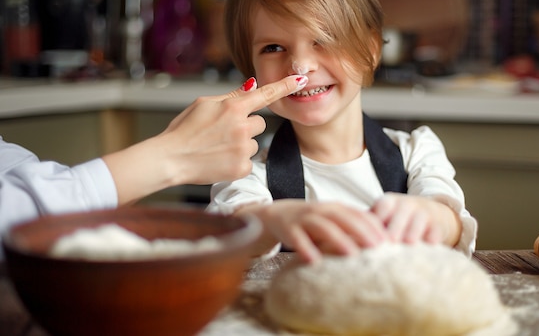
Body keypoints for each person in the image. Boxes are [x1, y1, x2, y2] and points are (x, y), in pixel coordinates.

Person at [208, 0, 478, 263]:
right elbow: (233, 227)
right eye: (273, 48)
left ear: (371, 49)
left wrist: (431, 217)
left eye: (323, 39)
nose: (300, 65)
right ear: (250, 68)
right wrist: (276, 220)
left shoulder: (417, 154)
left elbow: (451, 221)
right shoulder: (246, 170)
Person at [0, 74, 308, 256]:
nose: (301, 66)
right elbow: (22, 232)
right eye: (273, 47)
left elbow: (21, 181)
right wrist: (171, 155)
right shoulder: (252, 175)